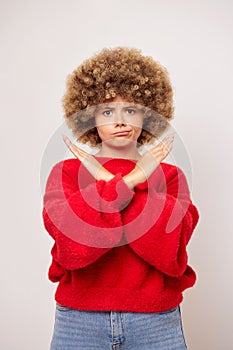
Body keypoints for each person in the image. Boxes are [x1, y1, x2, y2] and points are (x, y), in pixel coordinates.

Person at [42, 47, 199, 350]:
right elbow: (75, 248)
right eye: (107, 111)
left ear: (147, 114)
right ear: (89, 116)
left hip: (155, 322)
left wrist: (115, 182)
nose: (120, 121)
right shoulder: (65, 173)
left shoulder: (169, 177)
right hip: (78, 322)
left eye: (131, 110)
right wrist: (131, 182)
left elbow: (169, 250)